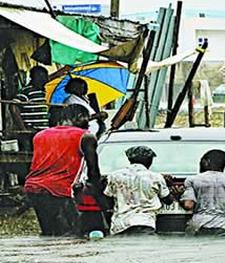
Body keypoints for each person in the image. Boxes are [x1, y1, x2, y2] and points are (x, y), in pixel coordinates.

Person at [23, 105, 100, 237]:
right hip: (59, 190)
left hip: (33, 188)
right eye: (88, 120)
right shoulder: (85, 137)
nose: (88, 124)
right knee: (71, 234)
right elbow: (93, 171)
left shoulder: (40, 135)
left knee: (48, 233)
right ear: (80, 117)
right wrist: (95, 188)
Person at [103, 146, 177, 236]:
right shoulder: (155, 177)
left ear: (130, 160)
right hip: (145, 223)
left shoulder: (114, 176)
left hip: (120, 225)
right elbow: (168, 200)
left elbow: (107, 198)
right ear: (150, 161)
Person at [180, 150, 225, 237]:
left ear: (206, 162)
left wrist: (179, 197)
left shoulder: (192, 180)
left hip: (199, 226)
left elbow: (188, 205)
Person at [11, 66, 49, 133]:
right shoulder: (27, 91)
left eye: (44, 77)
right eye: (40, 77)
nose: (43, 79)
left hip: (41, 131)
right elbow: (13, 106)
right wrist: (23, 129)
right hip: (32, 131)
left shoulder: (41, 92)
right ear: (33, 77)